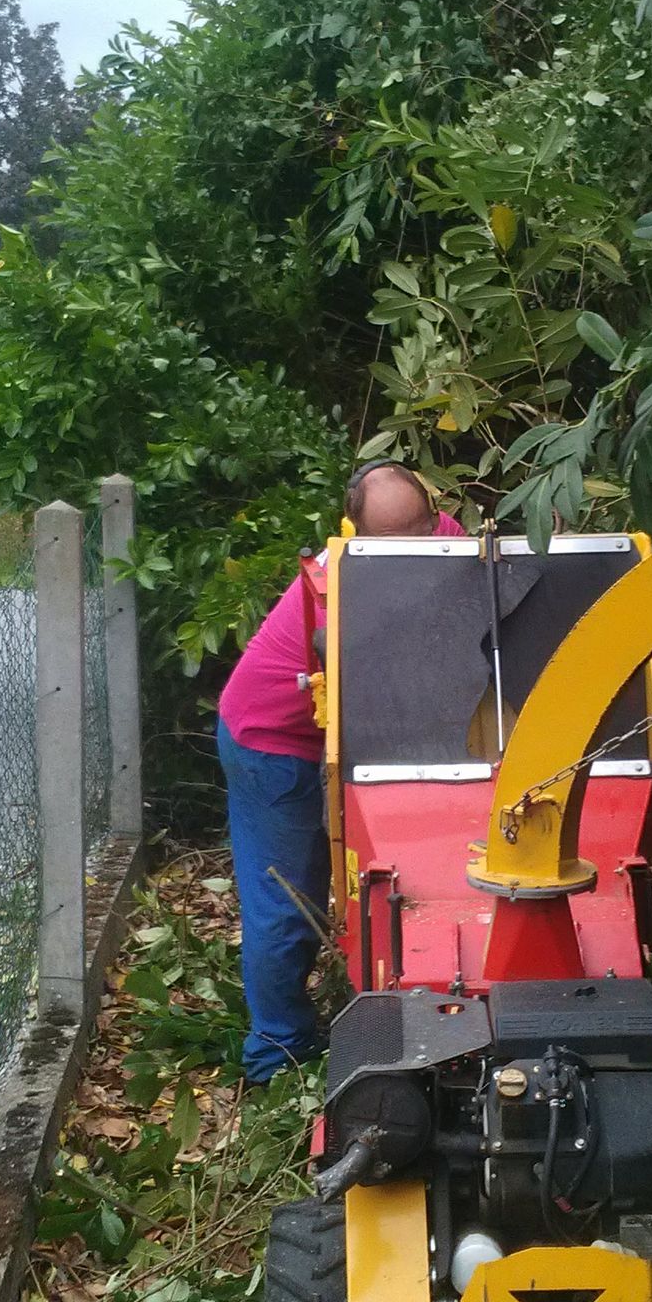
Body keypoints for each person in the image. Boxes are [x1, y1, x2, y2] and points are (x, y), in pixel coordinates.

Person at [218, 463, 464, 1081]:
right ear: (357, 536)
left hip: (335, 733)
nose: (415, 551)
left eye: (421, 530)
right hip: (273, 743)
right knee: (289, 903)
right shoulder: (345, 594)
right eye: (394, 542)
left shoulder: (448, 538)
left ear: (434, 515)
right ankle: (277, 1059)